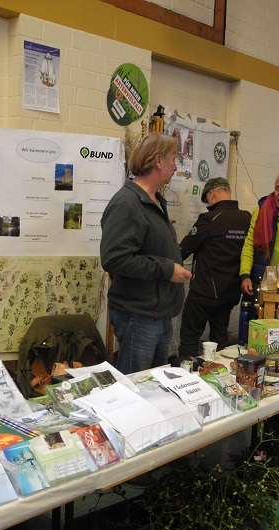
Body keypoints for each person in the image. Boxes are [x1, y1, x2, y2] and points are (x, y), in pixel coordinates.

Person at [100, 132, 192, 374]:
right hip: (139, 317)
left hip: (158, 316)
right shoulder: (127, 204)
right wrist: (167, 269)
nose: (175, 165)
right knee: (135, 389)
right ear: (158, 161)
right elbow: (114, 258)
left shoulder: (154, 200)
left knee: (155, 388)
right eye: (173, 158)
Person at [178, 177, 251, 357]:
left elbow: (185, 248)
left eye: (207, 200)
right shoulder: (246, 218)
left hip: (204, 292)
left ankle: (185, 375)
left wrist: (166, 264)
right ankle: (219, 375)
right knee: (220, 340)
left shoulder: (209, 218)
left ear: (212, 194)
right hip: (230, 294)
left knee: (189, 338)